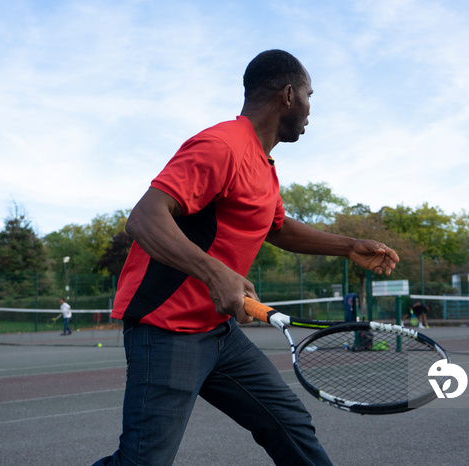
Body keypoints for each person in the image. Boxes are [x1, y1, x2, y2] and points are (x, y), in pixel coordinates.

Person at [93, 49, 399, 466]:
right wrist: (215, 272)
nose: (312, 109)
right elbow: (144, 218)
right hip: (166, 331)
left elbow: (278, 227)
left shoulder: (263, 164)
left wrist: (348, 246)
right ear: (289, 95)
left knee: (289, 426)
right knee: (142, 462)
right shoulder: (222, 145)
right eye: (310, 96)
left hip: (218, 333)